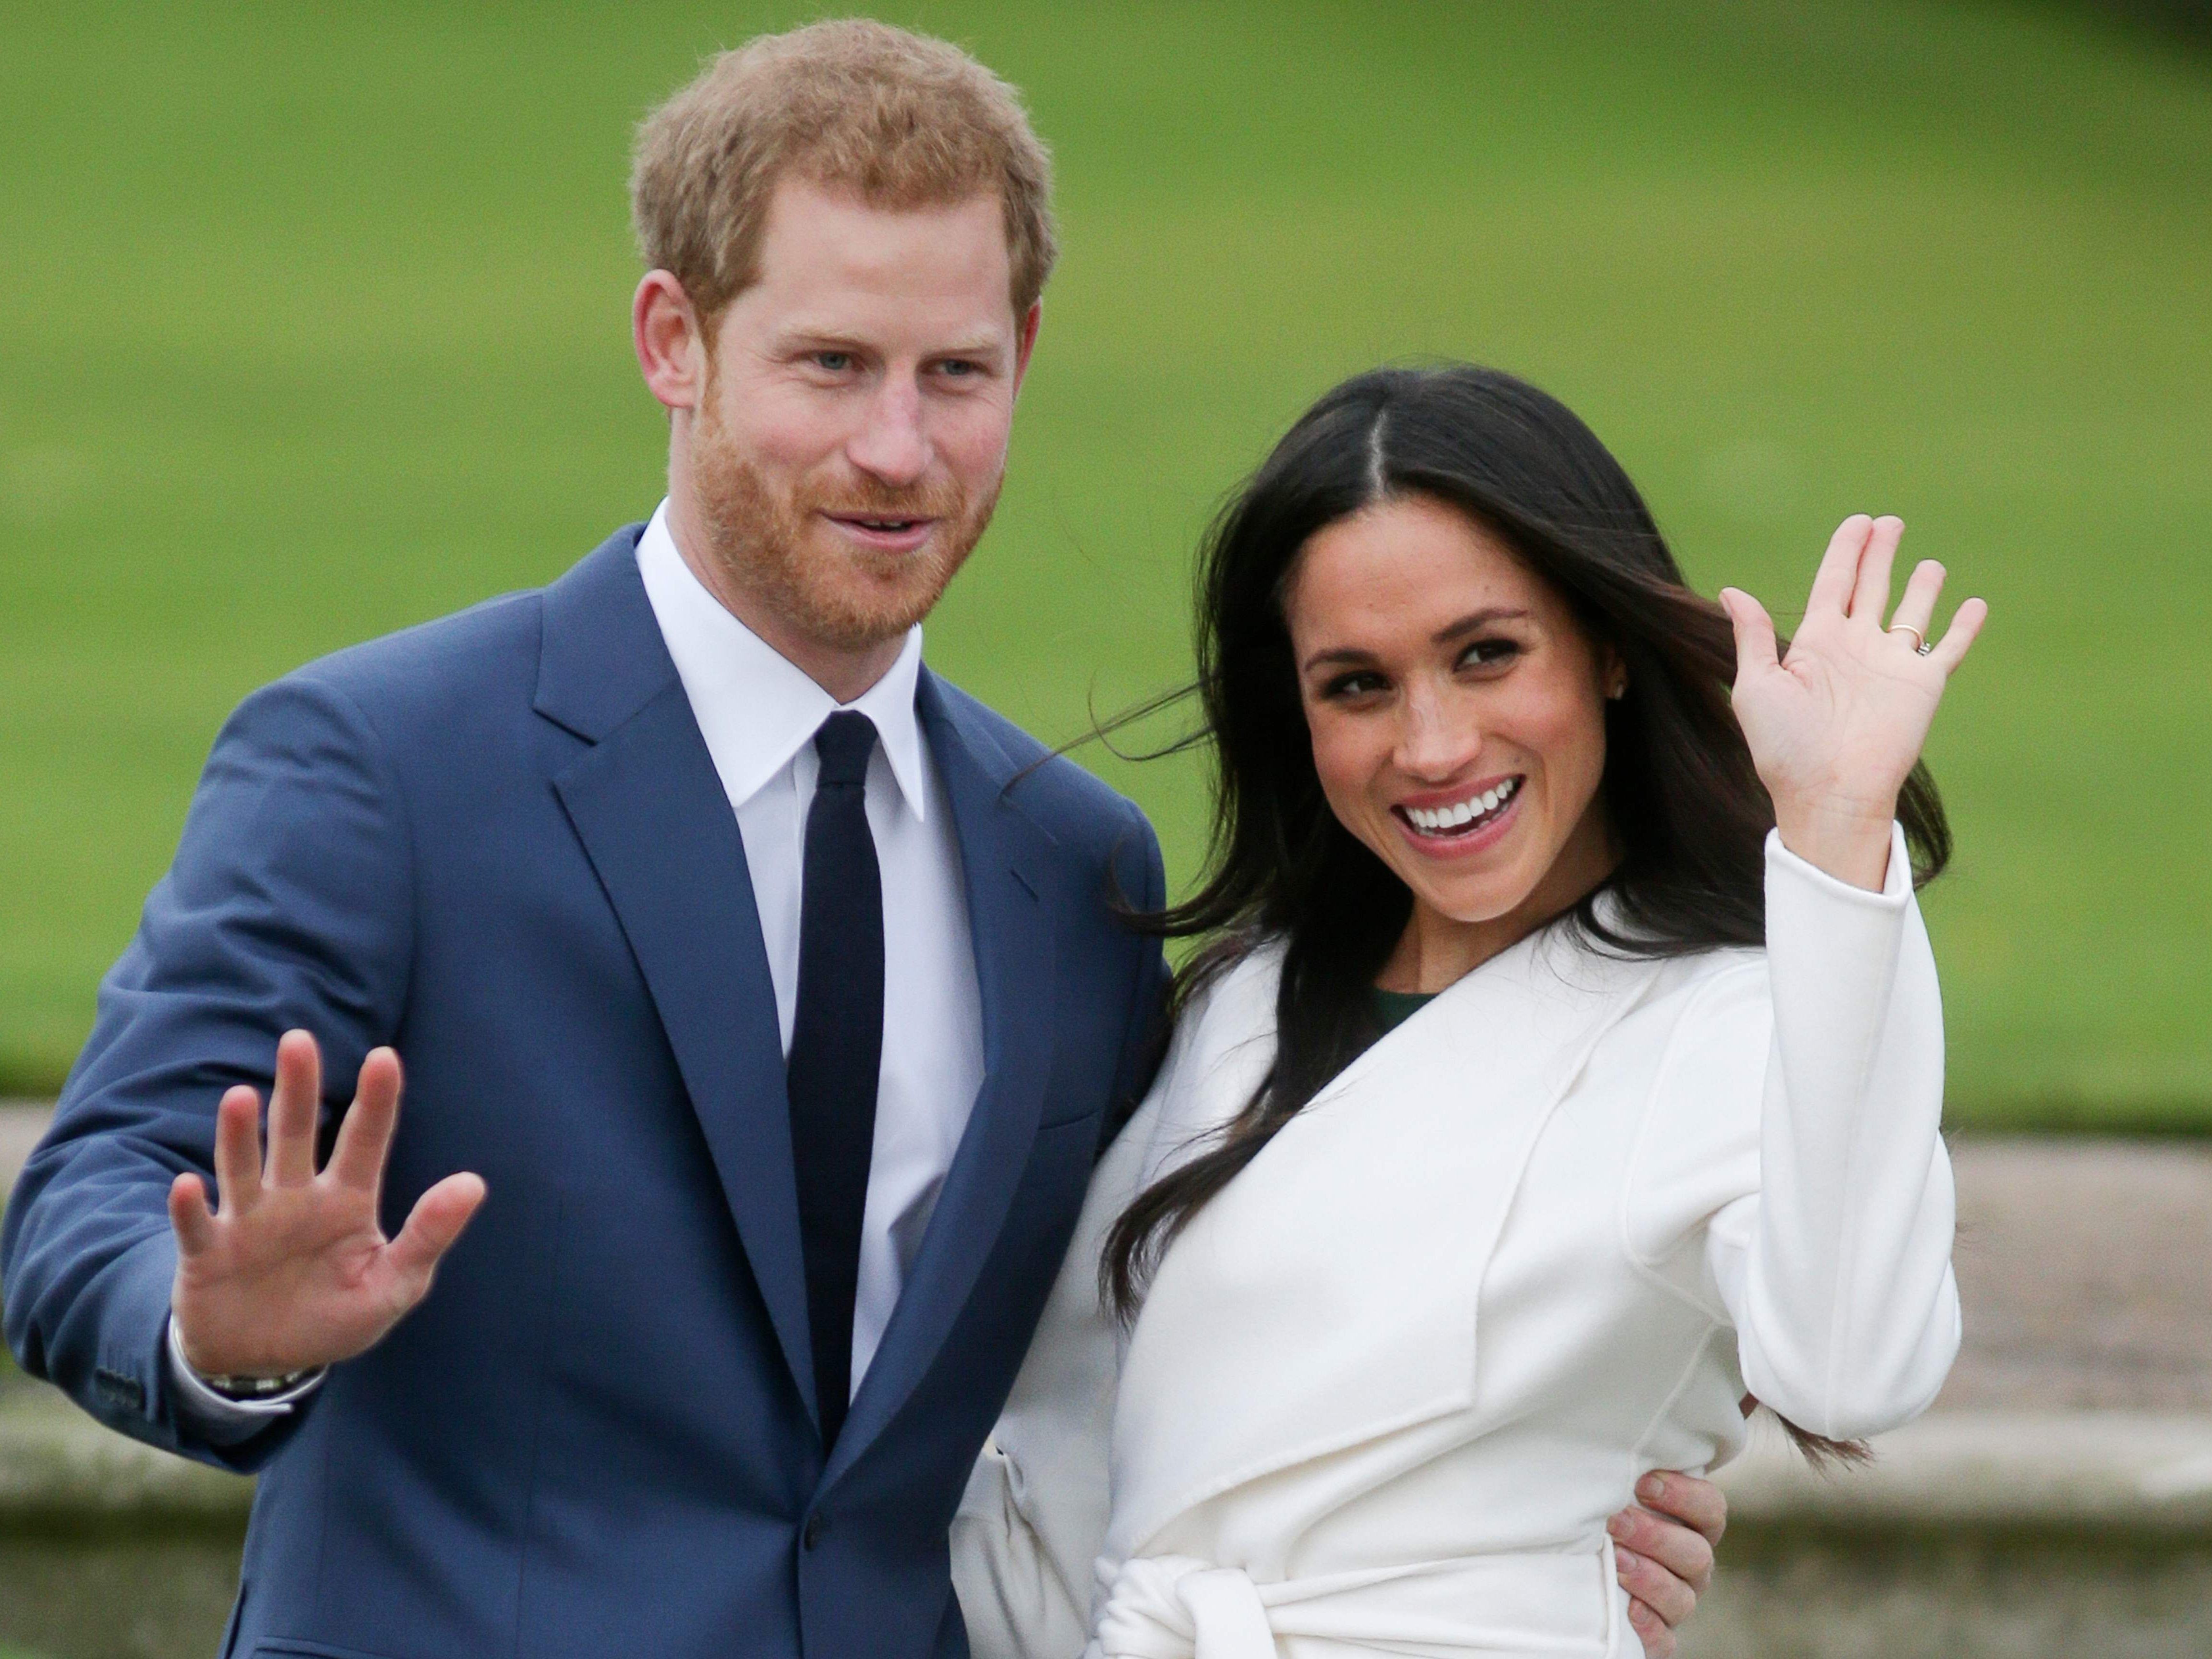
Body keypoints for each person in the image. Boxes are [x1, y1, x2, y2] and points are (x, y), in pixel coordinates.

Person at [1, 26, 1720, 1659]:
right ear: (673, 339)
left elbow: (1156, 1337)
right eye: (831, 364)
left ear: (1024, 359)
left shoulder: (1076, 869)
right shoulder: (382, 765)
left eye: (955, 373)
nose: (900, 452)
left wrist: (1515, 1497)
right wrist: (207, 1331)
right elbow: (86, 1200)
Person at [952, 365, 1981, 1659]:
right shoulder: (1246, 998)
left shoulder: (1728, 1019)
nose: (1431, 747)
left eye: (1486, 655)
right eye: (1358, 685)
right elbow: (1081, 1443)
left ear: (1605, 647)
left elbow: (1855, 1369)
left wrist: (1836, 835)